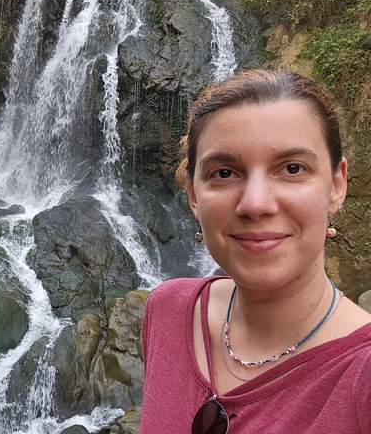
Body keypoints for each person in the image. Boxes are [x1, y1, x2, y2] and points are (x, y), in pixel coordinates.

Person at [139, 68, 371, 433]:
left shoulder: (362, 376)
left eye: (292, 168)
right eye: (224, 173)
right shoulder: (168, 311)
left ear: (336, 186)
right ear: (194, 196)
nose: (255, 204)